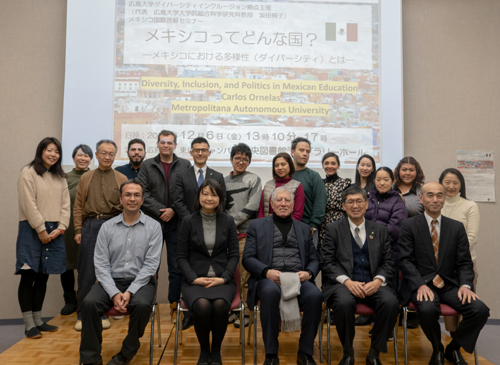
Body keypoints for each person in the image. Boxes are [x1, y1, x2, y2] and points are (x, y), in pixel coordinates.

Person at [399, 182, 489, 365]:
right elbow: (405, 260)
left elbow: (464, 262)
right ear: (421, 199)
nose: (435, 199)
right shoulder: (409, 226)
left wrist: (465, 285)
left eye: (439, 195)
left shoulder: (456, 227)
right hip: (422, 284)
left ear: (444, 198)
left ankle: (453, 348)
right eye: (430, 195)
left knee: (479, 309)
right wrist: (419, 285)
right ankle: (437, 348)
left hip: (449, 285)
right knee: (427, 308)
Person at [79, 180, 162, 365]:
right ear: (121, 199)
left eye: (136, 195)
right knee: (89, 303)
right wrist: (114, 292)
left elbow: (151, 265)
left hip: (141, 282)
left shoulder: (154, 227)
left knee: (141, 305)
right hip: (111, 281)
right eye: (128, 195)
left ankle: (126, 353)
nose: (132, 199)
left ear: (142, 199)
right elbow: (100, 264)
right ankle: (91, 359)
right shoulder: (107, 227)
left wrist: (129, 291)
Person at [320, 186, 399, 365]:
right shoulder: (333, 229)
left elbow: (388, 262)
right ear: (343, 206)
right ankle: (348, 352)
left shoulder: (379, 230)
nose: (355, 205)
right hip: (343, 284)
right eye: (350, 202)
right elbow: (327, 262)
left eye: (359, 201)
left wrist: (378, 281)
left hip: (373, 283)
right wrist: (347, 282)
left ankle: (374, 352)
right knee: (344, 303)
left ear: (366, 204)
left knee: (390, 302)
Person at [244, 187, 322, 365]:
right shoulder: (256, 226)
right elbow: (247, 258)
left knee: (315, 296)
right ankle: (271, 354)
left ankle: (305, 352)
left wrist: (309, 273)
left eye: (287, 200)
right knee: (271, 293)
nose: (283, 204)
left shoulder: (304, 229)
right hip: (268, 279)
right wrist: (266, 272)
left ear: (293, 205)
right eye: (279, 200)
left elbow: (314, 259)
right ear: (271, 204)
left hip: (298, 279)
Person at [177, 179, 239, 365]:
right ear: (199, 196)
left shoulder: (228, 221)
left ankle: (217, 351)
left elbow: (234, 255)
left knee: (220, 306)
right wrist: (194, 279)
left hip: (222, 280)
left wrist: (224, 278)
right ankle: (204, 350)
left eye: (214, 194)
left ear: (220, 198)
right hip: (194, 281)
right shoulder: (188, 221)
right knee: (202, 306)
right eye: (205, 193)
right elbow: (181, 257)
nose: (209, 198)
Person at [15, 137, 70, 338]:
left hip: (55, 230)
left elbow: (66, 205)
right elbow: (28, 203)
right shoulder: (28, 172)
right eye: (49, 150)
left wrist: (61, 228)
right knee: (29, 276)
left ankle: (38, 321)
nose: (53, 154)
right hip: (31, 229)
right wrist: (40, 228)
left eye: (56, 151)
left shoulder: (60, 177)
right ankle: (29, 324)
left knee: (43, 276)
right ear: (41, 151)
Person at [73, 139, 128, 331]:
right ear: (96, 155)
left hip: (114, 225)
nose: (107, 157)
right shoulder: (85, 178)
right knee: (87, 272)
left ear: (115, 156)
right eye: (103, 153)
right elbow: (78, 207)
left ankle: (106, 311)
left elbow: (126, 206)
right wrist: (78, 230)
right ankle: (83, 315)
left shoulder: (121, 179)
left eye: (111, 154)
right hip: (91, 225)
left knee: (112, 272)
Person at [136, 130, 191, 323]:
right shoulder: (147, 165)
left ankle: (175, 306)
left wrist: (174, 210)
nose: (166, 145)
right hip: (153, 223)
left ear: (175, 145)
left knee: (176, 268)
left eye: (170, 142)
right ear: (157, 145)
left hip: (177, 224)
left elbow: (188, 192)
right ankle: (147, 305)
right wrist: (162, 210)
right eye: (162, 142)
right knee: (151, 267)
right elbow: (142, 192)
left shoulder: (185, 164)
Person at [173, 137, 226, 330]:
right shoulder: (181, 175)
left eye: (204, 150)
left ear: (209, 152)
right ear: (191, 153)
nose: (201, 153)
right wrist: (193, 222)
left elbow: (222, 201)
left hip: (213, 228)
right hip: (187, 231)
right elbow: (177, 201)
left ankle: (210, 311)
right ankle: (190, 312)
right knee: (186, 266)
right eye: (197, 150)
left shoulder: (218, 175)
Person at [224, 143, 262, 329]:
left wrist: (230, 223)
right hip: (226, 237)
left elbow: (253, 206)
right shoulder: (222, 181)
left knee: (246, 276)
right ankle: (233, 309)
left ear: (249, 161)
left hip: (245, 235)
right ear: (231, 159)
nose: (241, 162)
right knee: (231, 275)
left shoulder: (253, 179)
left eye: (245, 159)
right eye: (237, 158)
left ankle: (246, 312)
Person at [439, 168, 480, 336]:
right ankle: (453, 346)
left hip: (464, 264)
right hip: (439, 266)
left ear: (461, 185)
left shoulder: (470, 205)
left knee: (466, 307)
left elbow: (471, 237)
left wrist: (448, 253)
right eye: (447, 182)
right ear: (441, 183)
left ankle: (458, 346)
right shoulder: (434, 204)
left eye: (455, 183)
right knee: (450, 319)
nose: (451, 186)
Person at [60, 144, 93, 316]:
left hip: (88, 227)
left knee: (86, 267)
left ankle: (84, 299)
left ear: (91, 159)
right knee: (66, 265)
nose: (83, 158)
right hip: (67, 227)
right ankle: (69, 300)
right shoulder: (64, 177)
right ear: (73, 158)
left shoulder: (93, 176)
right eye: (80, 155)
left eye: (86, 156)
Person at [365, 167, 408, 291]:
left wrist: (373, 243)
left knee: (387, 293)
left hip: (388, 255)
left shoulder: (398, 202)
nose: (382, 183)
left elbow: (395, 228)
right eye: (378, 179)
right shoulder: (368, 199)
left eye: (386, 179)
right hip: (366, 254)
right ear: (374, 181)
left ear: (392, 181)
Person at [290, 137, 327, 247]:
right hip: (283, 226)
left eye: (308, 151)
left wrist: (313, 225)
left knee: (308, 261)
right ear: (292, 152)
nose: (305, 154)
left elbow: (320, 202)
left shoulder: (313, 176)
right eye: (301, 150)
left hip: (307, 227)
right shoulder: (284, 174)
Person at [318, 152, 352, 250]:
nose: (330, 166)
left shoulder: (345, 183)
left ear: (338, 166)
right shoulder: (319, 183)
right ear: (323, 165)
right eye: (326, 163)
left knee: (340, 250)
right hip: (322, 223)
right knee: (323, 251)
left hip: (340, 222)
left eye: (333, 163)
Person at [258, 152, 305, 221]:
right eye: (276, 165)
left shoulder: (297, 186)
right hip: (266, 226)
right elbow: (261, 210)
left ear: (290, 165)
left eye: (283, 164)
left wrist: (287, 228)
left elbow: (298, 214)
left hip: (289, 228)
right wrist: (261, 225)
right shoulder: (268, 184)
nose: (279, 168)